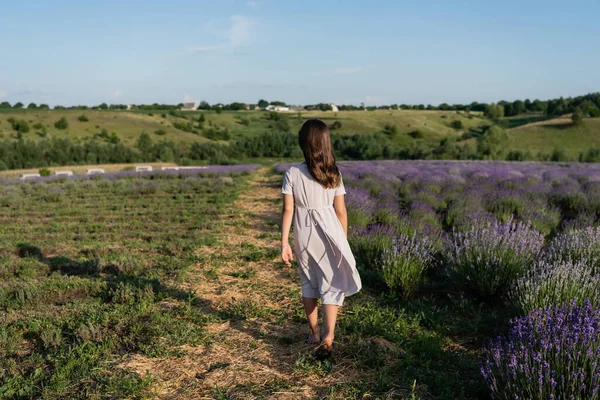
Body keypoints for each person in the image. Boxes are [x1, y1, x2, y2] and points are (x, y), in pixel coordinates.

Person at [280, 118, 362, 360]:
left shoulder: (292, 172)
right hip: (330, 233)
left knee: (308, 282)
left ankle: (314, 333)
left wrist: (284, 242)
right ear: (326, 143)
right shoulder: (333, 173)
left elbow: (288, 210)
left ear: (303, 143)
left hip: (303, 233)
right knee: (331, 284)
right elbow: (341, 212)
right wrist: (343, 240)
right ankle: (329, 336)